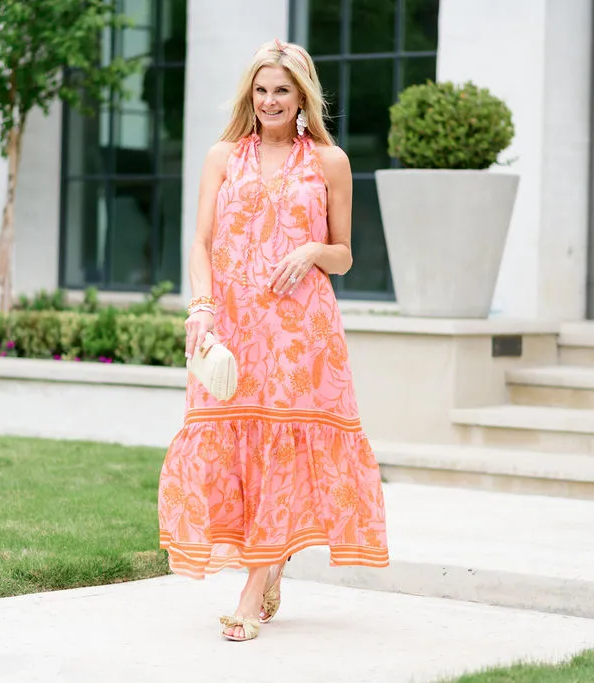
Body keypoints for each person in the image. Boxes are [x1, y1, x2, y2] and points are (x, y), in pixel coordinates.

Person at [158, 39, 389, 642]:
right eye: (261, 90)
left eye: (282, 90)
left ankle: (251, 592)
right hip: (233, 324)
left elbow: (344, 255)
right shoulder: (222, 157)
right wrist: (202, 307)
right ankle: (270, 560)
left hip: (300, 330)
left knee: (282, 446)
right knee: (237, 442)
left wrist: (312, 249)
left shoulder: (329, 162)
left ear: (302, 96)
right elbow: (201, 243)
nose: (270, 101)